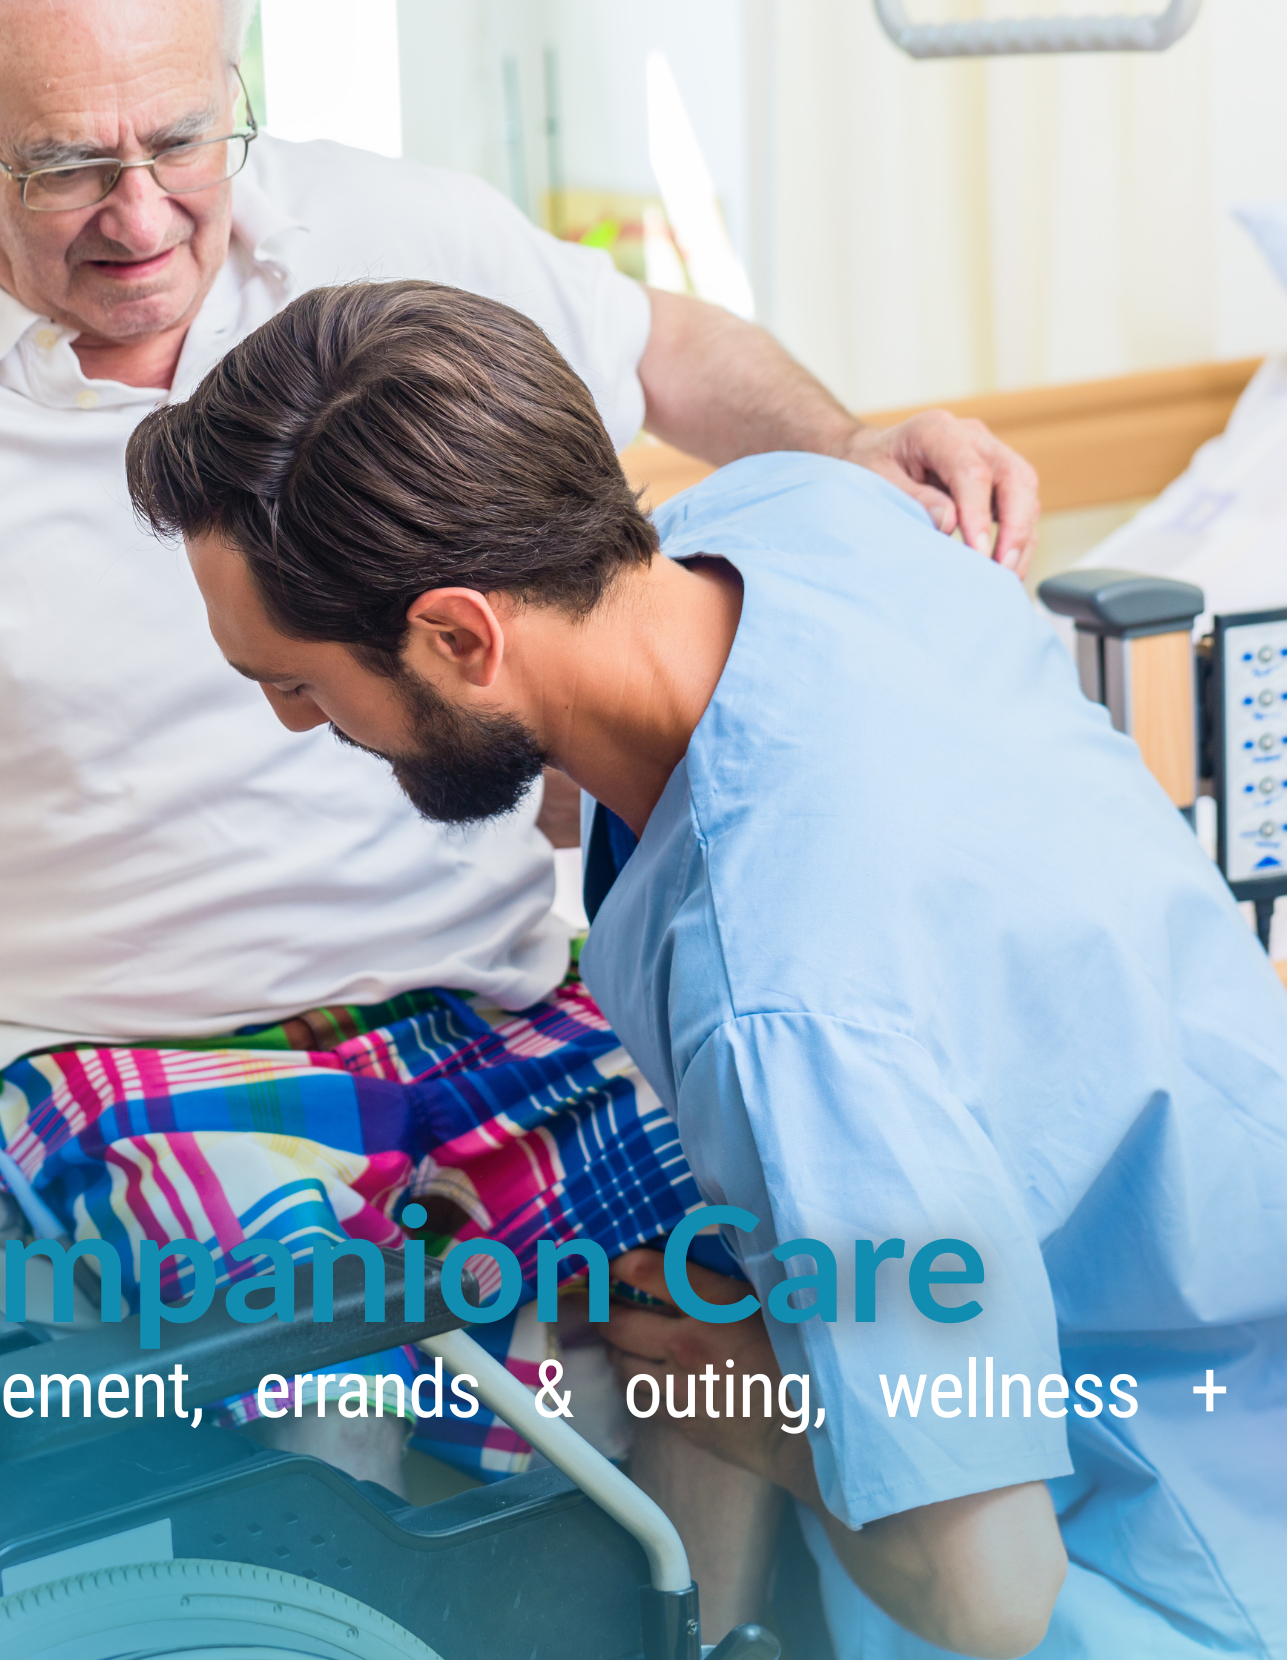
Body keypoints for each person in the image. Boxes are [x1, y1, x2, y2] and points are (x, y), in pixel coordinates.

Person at [0, 0, 1033, 1609]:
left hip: (502, 996)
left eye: (180, 141)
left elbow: (658, 350)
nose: (144, 215)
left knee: (747, 1266)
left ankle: (711, 1644)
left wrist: (851, 440)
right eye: (71, 165)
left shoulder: (386, 226)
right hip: (138, 1046)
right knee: (334, 1360)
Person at [129, 278, 1287, 1660]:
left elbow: (991, 1594)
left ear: (457, 636)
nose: (290, 719)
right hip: (1216, 1263)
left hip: (1179, 1546)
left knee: (658, 1345)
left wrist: (721, 1382)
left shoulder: (784, 999)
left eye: (306, 686)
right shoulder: (805, 516)